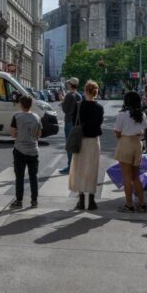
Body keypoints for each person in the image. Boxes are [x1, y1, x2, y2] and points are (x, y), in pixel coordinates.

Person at [68, 80, 104, 210]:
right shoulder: (99, 108)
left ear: (85, 91)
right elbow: (99, 123)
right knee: (92, 169)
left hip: (81, 140)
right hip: (94, 141)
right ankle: (92, 200)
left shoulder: (79, 106)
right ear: (96, 92)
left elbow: (73, 121)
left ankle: (81, 200)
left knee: (79, 169)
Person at [114, 91, 147, 212]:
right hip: (138, 144)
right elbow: (144, 131)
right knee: (136, 176)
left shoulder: (122, 115)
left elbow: (117, 132)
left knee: (126, 176)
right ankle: (142, 203)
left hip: (126, 142)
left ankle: (129, 204)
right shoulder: (142, 115)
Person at [10, 94, 42, 208]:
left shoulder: (16, 117)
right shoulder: (37, 117)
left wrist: (21, 134)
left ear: (21, 104)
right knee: (33, 177)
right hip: (33, 150)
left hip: (20, 150)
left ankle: (19, 201)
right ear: (30, 105)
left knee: (20, 177)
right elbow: (39, 134)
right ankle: (34, 201)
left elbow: (13, 134)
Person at [59, 77, 82, 174]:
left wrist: (62, 100)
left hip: (69, 122)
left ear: (70, 85)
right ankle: (76, 166)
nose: (67, 85)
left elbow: (66, 110)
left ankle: (70, 167)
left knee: (69, 145)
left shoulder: (69, 96)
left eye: (68, 83)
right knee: (76, 145)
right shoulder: (79, 95)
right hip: (77, 123)